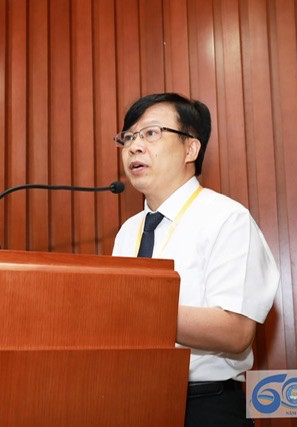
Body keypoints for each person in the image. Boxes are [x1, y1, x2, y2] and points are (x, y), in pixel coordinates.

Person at [111, 93, 279, 426]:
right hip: (132, 401)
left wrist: (134, 311)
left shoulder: (227, 218)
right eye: (128, 137)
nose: (134, 147)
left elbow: (235, 331)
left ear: (191, 149)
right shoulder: (128, 231)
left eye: (150, 133)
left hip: (204, 407)